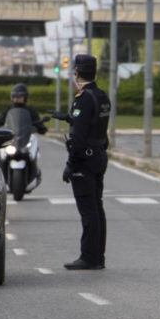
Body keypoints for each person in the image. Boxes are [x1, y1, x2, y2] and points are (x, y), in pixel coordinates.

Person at [61, 54, 111, 270]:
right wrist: (69, 118)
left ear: (77, 73)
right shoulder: (102, 96)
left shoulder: (82, 99)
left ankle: (88, 257)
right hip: (99, 154)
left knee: (88, 210)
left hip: (85, 159)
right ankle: (98, 256)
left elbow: (79, 137)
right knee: (97, 207)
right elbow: (96, 125)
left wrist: (71, 164)